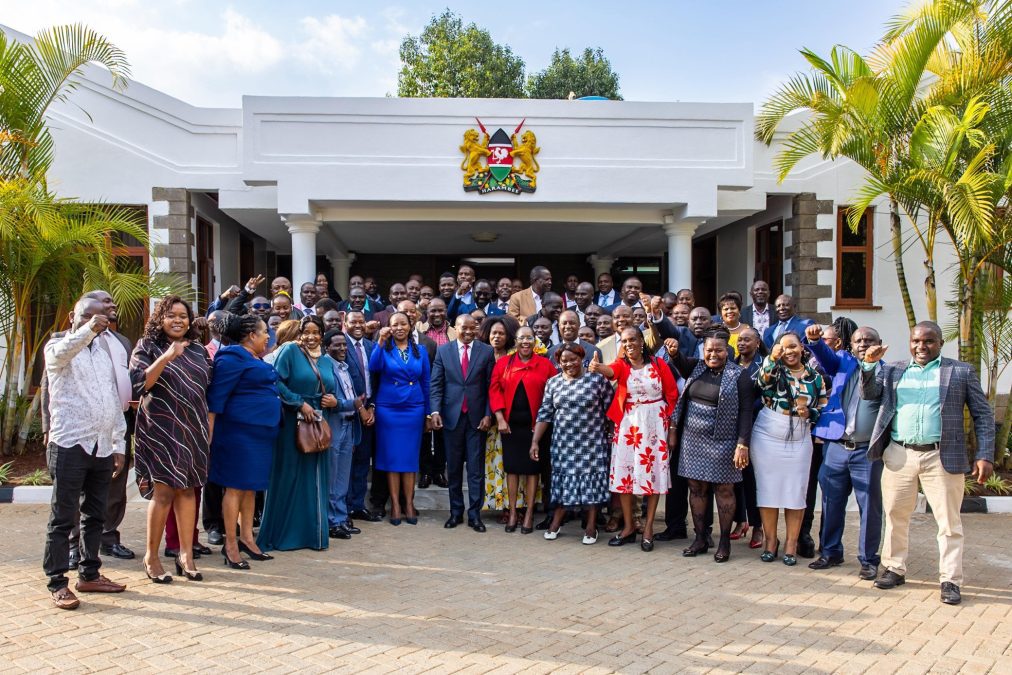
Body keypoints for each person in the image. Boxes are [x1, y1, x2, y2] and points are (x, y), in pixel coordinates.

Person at [859, 322, 994, 605]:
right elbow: (868, 394)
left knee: (948, 522)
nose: (922, 346)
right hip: (899, 453)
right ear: (910, 342)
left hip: (940, 456)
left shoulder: (960, 371)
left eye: (929, 341)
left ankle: (950, 580)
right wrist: (869, 366)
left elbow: (982, 414)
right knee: (896, 515)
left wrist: (985, 454)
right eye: (916, 341)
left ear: (940, 343)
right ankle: (894, 568)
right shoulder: (893, 369)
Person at [43, 297, 128, 609]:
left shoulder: (103, 354)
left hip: (102, 445)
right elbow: (61, 355)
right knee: (63, 517)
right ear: (72, 316)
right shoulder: (57, 347)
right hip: (69, 445)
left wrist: (118, 444)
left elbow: (111, 399)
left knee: (96, 514)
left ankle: (90, 573)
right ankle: (57, 581)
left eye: (100, 316)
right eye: (87, 315)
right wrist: (90, 329)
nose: (96, 320)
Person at [130, 295, 212, 583]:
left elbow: (207, 388)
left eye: (183, 316)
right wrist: (166, 357)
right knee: (163, 493)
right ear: (160, 318)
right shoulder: (147, 347)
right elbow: (140, 384)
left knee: (189, 491)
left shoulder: (200, 351)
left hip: (193, 429)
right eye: (171, 315)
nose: (178, 320)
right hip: (162, 429)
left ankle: (185, 555)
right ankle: (151, 556)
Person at [804, 324, 884, 580]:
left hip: (867, 451)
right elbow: (824, 358)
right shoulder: (841, 363)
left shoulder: (889, 372)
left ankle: (868, 559)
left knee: (869, 506)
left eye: (869, 340)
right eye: (858, 340)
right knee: (830, 502)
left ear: (879, 343)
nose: (863, 344)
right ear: (850, 345)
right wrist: (815, 343)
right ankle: (830, 552)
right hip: (836, 446)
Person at [667, 328, 753, 563]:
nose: (713, 354)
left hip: (724, 441)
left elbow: (746, 412)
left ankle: (724, 541)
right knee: (696, 489)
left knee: (724, 491)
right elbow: (678, 358)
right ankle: (700, 538)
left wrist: (742, 444)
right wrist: (673, 350)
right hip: (692, 440)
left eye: (718, 350)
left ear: (728, 351)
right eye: (708, 350)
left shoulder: (739, 375)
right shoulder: (695, 366)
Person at [589, 327, 679, 551]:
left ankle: (648, 527)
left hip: (655, 424)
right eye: (625, 341)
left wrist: (672, 427)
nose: (629, 344)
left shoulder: (659, 364)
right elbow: (611, 371)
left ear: (642, 341)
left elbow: (672, 395)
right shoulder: (623, 365)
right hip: (629, 424)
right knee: (625, 476)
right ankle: (628, 526)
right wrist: (598, 367)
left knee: (653, 476)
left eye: (633, 340)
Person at [206, 313, 281, 568]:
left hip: (260, 434)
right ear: (251, 335)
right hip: (238, 434)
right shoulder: (231, 357)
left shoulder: (254, 358)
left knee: (250, 487)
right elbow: (216, 399)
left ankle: (248, 538)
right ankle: (230, 544)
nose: (267, 337)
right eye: (264, 333)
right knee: (235, 488)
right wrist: (209, 435)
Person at [257, 316, 337, 552]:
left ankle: (312, 535)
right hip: (293, 421)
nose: (311, 336)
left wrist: (333, 401)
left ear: (322, 334)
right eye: (307, 332)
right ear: (300, 333)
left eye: (316, 332)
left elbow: (331, 389)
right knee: (289, 476)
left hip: (318, 422)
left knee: (314, 479)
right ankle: (282, 535)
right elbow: (275, 381)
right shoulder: (290, 351)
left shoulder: (326, 359)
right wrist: (299, 403)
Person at [751, 331, 828, 566]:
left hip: (800, 436)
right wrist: (772, 359)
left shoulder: (815, 377)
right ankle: (770, 541)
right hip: (767, 434)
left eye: (793, 346)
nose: (789, 351)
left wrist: (811, 413)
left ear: (802, 349)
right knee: (768, 490)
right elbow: (761, 382)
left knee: (796, 491)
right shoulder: (774, 369)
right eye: (784, 347)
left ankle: (791, 544)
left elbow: (823, 407)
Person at [532, 343, 614, 544]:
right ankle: (556, 522)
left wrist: (611, 433)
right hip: (563, 444)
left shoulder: (597, 381)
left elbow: (611, 410)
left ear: (582, 358)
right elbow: (545, 414)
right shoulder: (553, 383)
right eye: (564, 361)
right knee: (563, 484)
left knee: (591, 483)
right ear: (558, 363)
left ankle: (591, 526)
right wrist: (535, 441)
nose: (569, 364)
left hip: (592, 443)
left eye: (573, 359)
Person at [489, 326, 558, 533]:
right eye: (521, 338)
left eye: (529, 338)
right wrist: (500, 418)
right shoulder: (504, 363)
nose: (525, 342)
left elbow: (554, 393)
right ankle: (512, 512)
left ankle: (528, 513)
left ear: (535, 341)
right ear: (516, 341)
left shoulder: (545, 365)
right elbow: (495, 390)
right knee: (512, 469)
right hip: (510, 427)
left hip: (535, 428)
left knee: (532, 470)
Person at [431, 315, 495, 532]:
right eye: (463, 328)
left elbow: (490, 387)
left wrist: (488, 414)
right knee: (455, 467)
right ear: (454, 328)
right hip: (451, 418)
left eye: (472, 328)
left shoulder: (486, 352)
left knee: (476, 469)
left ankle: (475, 514)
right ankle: (455, 512)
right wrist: (435, 411)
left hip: (477, 419)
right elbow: (436, 384)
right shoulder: (444, 351)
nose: (468, 332)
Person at [370, 312, 431, 525]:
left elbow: (426, 383)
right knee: (392, 459)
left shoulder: (421, 351)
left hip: (414, 408)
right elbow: (373, 367)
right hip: (389, 409)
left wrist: (428, 413)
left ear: (410, 325)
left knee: (409, 459)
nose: (399, 328)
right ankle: (395, 504)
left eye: (403, 324)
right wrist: (380, 340)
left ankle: (408, 503)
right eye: (394, 324)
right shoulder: (384, 349)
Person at [323, 329, 372, 540]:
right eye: (337, 345)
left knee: (343, 478)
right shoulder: (324, 367)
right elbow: (327, 401)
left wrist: (356, 406)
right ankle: (331, 522)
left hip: (350, 426)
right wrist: (351, 404)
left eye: (344, 345)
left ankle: (341, 519)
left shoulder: (345, 367)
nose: (342, 348)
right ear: (327, 347)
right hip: (334, 425)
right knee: (332, 479)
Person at [342, 311, 382, 522]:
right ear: (345, 323)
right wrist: (360, 408)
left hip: (369, 412)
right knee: (346, 461)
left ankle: (357, 505)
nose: (358, 325)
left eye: (361, 321)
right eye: (353, 322)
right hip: (349, 411)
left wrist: (372, 406)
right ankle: (344, 508)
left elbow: (375, 379)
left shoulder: (370, 346)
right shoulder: (340, 346)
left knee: (362, 461)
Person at [477, 315, 518, 519]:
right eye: (494, 333)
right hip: (489, 420)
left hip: (511, 417)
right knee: (496, 463)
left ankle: (514, 506)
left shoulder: (515, 356)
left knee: (512, 462)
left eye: (501, 333)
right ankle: (500, 504)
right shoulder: (482, 355)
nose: (497, 337)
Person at [732, 327, 766, 550]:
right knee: (735, 477)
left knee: (753, 479)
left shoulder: (764, 366)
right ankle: (739, 520)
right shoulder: (732, 365)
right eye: (740, 340)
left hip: (757, 426)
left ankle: (757, 525)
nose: (742, 343)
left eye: (747, 339)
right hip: (732, 427)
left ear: (757, 342)